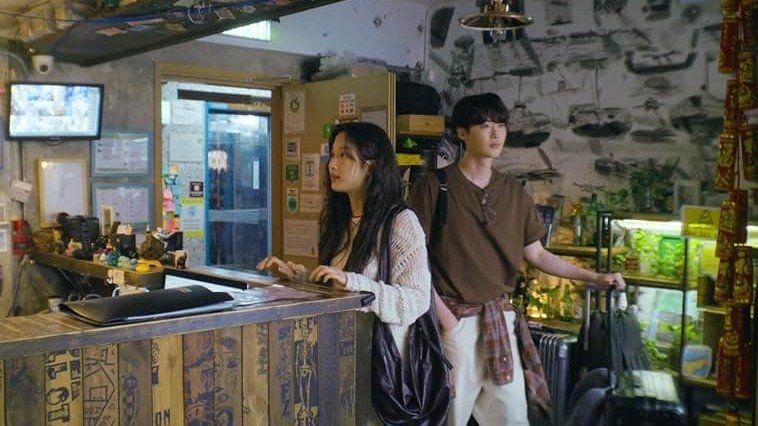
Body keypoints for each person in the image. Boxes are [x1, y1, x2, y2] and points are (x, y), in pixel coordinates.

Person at [407, 92, 625, 426]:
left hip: (500, 320)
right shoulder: (435, 186)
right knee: (447, 418)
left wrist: (594, 277)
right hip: (453, 321)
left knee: (511, 418)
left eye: (501, 125)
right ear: (462, 133)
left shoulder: (513, 191)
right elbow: (410, 260)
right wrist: (445, 319)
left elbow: (536, 253)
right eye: (485, 125)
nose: (496, 133)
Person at [257, 121, 433, 421]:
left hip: (381, 367)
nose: (333, 165)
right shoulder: (338, 218)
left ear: (371, 165)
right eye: (333, 155)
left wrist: (354, 283)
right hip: (338, 359)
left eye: (345, 156)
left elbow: (417, 300)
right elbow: (338, 284)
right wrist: (299, 277)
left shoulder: (400, 222)